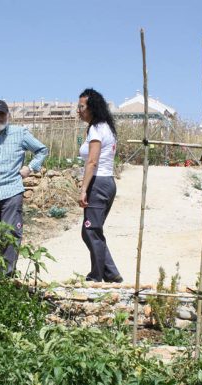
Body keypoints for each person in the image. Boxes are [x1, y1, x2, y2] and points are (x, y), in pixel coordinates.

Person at [0, 100, 48, 275]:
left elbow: (42, 150)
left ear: (8, 115)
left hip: (11, 190)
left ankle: (7, 274)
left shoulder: (20, 133)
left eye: (2, 114)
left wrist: (30, 168)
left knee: (10, 232)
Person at [77, 88, 122, 283]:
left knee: (91, 230)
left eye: (81, 107)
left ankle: (97, 275)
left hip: (98, 182)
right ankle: (111, 273)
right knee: (92, 230)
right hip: (108, 182)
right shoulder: (106, 127)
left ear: (92, 107)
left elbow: (92, 162)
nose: (78, 110)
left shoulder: (96, 129)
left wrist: (84, 189)